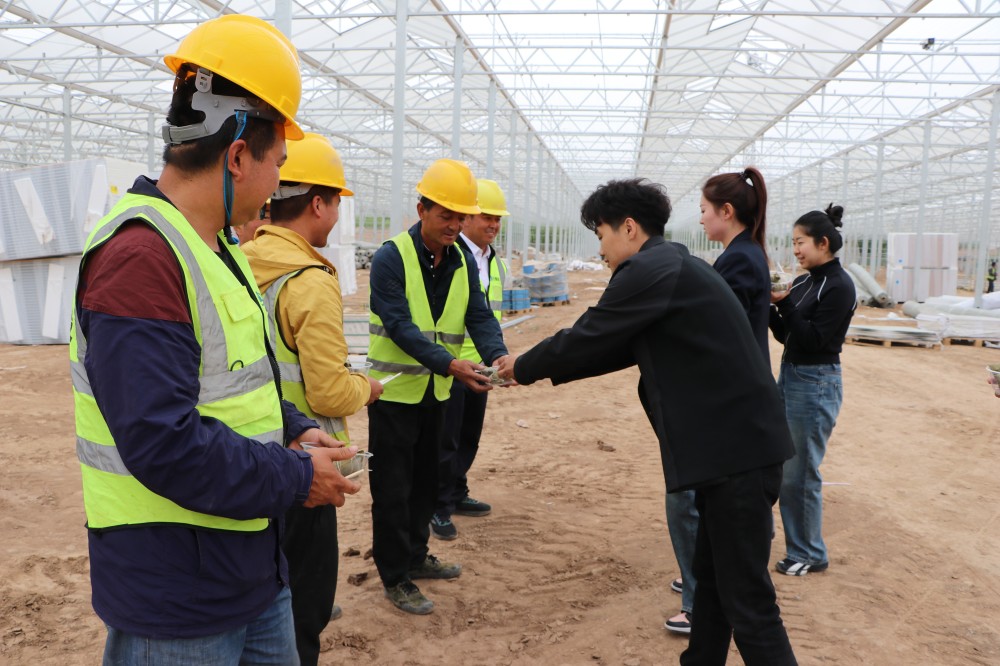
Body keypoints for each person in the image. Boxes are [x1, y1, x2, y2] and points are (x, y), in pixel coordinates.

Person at [69, 14, 361, 664]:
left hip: (248, 566)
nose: (277, 184)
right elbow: (162, 442)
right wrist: (295, 477)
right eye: (277, 164)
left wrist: (292, 429)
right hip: (176, 595)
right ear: (236, 157)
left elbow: (235, 383)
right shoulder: (141, 259)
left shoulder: (218, 247)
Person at [497, 178, 797, 665]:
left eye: (601, 235)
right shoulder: (671, 265)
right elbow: (618, 345)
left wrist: (525, 364)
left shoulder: (650, 269)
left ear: (629, 228)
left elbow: (593, 332)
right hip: (735, 452)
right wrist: (528, 370)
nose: (601, 249)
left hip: (738, 457)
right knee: (714, 586)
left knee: (749, 604)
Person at [242, 132, 384, 665]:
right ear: (319, 204)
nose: (337, 217)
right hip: (305, 461)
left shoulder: (241, 260)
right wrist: (367, 388)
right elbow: (328, 390)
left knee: (263, 591)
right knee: (304, 606)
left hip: (248, 452)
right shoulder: (309, 279)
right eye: (336, 204)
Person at [367, 159, 510, 614]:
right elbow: (400, 327)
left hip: (436, 395)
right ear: (422, 210)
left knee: (426, 483)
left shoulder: (461, 260)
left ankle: (416, 555)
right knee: (393, 489)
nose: (454, 225)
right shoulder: (391, 257)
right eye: (445, 215)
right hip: (394, 395)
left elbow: (478, 315)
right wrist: (451, 364)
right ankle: (395, 576)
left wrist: (498, 356)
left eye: (460, 217)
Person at [664, 166, 772, 635]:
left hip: (728, 404)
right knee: (698, 502)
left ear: (727, 212)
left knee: (688, 498)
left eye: (705, 210)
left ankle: (697, 601)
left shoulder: (740, 261)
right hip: (733, 401)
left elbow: (715, 334)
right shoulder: (742, 255)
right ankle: (700, 587)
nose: (702, 218)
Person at [769, 203, 856, 577]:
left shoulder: (839, 286)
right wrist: (769, 307)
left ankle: (809, 552)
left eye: (800, 242)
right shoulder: (805, 282)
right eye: (793, 242)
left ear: (823, 243)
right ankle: (801, 546)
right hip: (791, 373)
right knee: (784, 464)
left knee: (800, 471)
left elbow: (814, 340)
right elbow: (786, 335)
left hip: (816, 381)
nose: (796, 250)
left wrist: (785, 304)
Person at [430, 178, 510, 541]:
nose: (493, 225)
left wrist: (497, 358)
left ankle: (457, 492)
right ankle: (439, 505)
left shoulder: (492, 260)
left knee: (467, 437)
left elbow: (485, 315)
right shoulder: (451, 254)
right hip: (453, 366)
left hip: (482, 365)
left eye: (497, 219)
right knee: (445, 440)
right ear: (468, 218)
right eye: (486, 217)